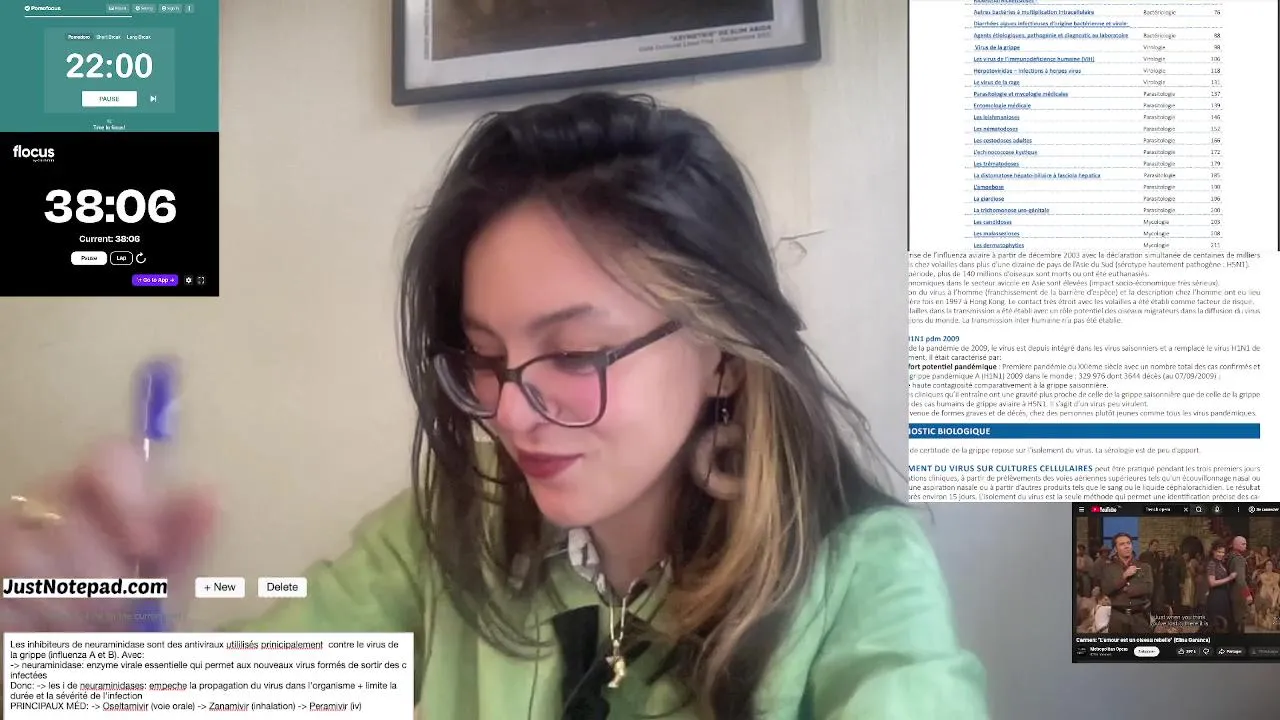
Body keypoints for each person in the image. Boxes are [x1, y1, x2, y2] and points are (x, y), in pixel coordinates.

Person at [0, 93, 988, 718]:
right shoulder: (445, 536)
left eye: (574, 353)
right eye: (483, 359)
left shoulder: (858, 576)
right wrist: (81, 669)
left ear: (724, 353)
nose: (510, 415)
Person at [1100, 532, 1154, 634]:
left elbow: (1148, 588)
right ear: (1115, 549)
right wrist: (1124, 576)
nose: (1126, 546)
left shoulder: (1144, 567)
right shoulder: (1108, 569)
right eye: (1122, 544)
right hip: (1118, 618)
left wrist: (1126, 589)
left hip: (1140, 617)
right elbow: (1107, 590)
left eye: (1128, 543)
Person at [1204, 541, 1238, 633]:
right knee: (1216, 625)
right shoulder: (1212, 563)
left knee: (1224, 624)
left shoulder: (1220, 563)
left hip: (1223, 595)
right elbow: (1212, 583)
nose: (1221, 554)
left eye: (1223, 552)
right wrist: (1229, 578)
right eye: (1219, 552)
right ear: (1213, 551)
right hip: (1216, 596)